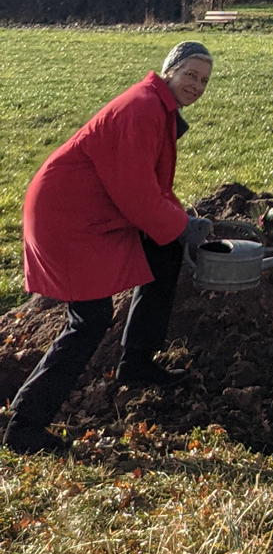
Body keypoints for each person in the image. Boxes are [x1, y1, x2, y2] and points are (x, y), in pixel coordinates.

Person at [4, 42, 215, 455]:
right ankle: (25, 428)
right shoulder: (141, 109)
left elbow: (154, 188)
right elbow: (137, 196)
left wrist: (182, 227)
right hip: (66, 218)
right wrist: (182, 226)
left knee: (165, 250)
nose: (197, 85)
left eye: (204, 80)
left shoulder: (159, 109)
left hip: (92, 212)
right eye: (190, 74)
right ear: (169, 70)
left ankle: (135, 364)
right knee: (90, 318)